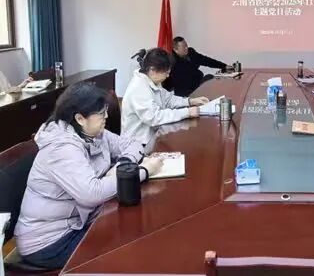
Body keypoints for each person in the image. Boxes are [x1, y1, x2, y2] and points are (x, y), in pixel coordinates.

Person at [14, 82, 163, 270]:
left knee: (135, 226)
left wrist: (124, 164)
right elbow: (92, 194)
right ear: (80, 118)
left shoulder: (92, 132)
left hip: (80, 222)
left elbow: (132, 144)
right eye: (101, 113)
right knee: (125, 247)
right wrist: (142, 172)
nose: (106, 116)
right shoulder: (62, 147)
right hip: (50, 242)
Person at [122, 48, 209, 147]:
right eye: (166, 73)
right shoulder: (139, 88)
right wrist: (187, 112)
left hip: (154, 135)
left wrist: (190, 101)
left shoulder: (152, 79)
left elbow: (168, 99)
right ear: (152, 70)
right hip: (139, 144)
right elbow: (154, 117)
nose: (167, 76)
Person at [163, 36, 227, 97]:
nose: (186, 48)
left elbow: (206, 60)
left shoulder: (191, 53)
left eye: (186, 45)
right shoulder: (172, 62)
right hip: (186, 94)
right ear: (175, 50)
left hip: (198, 86)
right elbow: (166, 83)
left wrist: (224, 66)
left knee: (210, 78)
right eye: (183, 47)